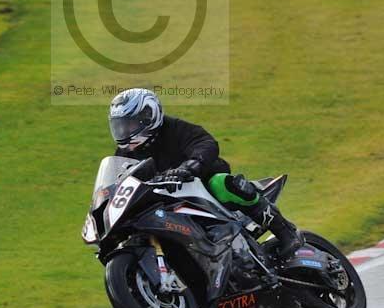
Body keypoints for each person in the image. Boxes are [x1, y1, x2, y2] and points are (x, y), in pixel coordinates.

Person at [109, 87, 303, 258]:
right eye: (120, 126)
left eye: (130, 125)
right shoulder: (126, 153)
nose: (124, 131)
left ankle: (286, 231)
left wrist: (189, 167)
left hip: (202, 183)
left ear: (147, 117)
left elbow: (205, 143)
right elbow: (122, 181)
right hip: (167, 200)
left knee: (222, 184)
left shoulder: (174, 128)